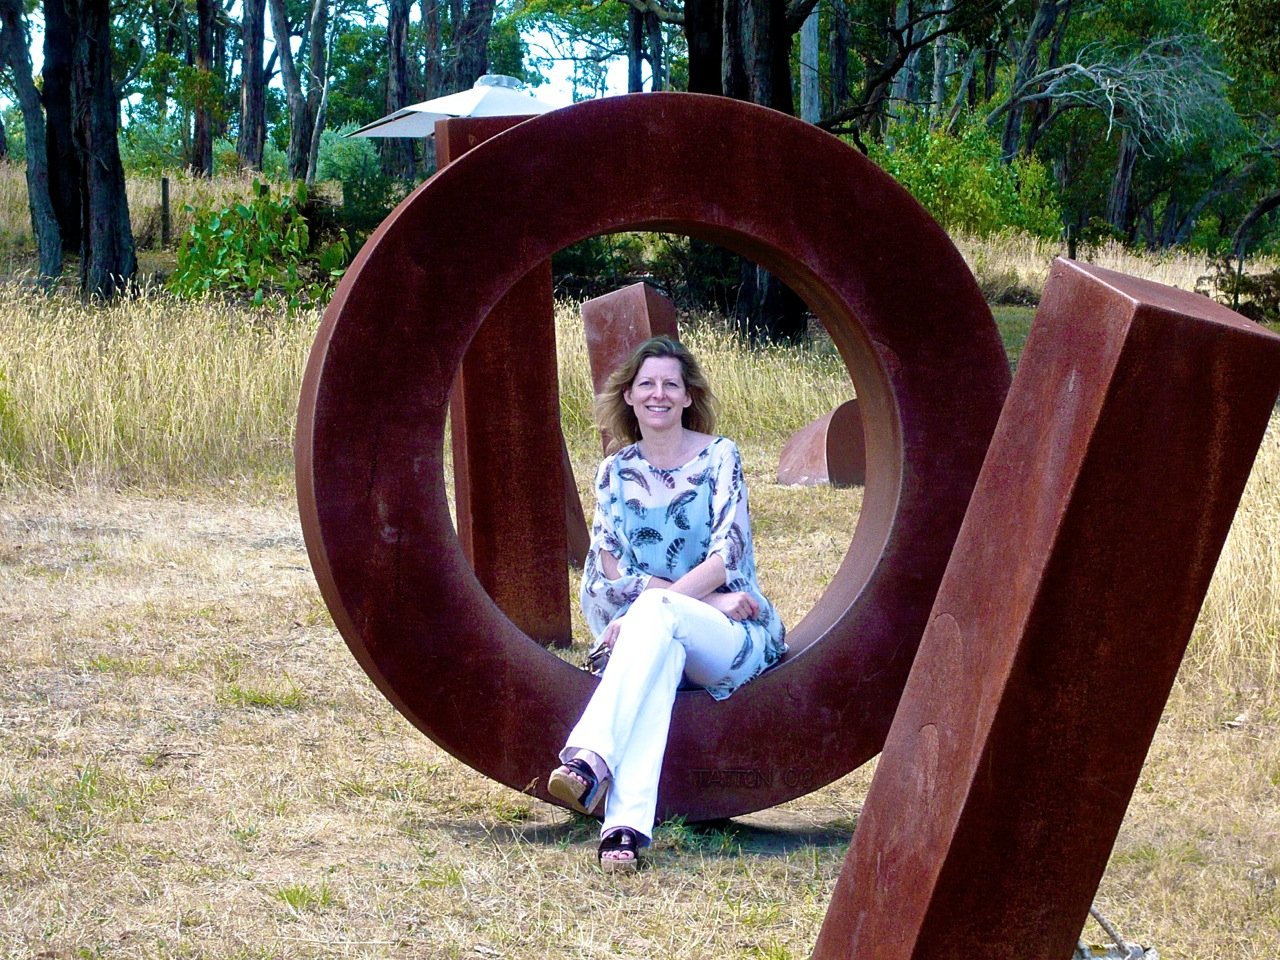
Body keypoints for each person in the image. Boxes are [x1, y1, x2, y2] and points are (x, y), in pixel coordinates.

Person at [547, 335, 786, 872]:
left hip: (728, 638)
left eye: (670, 385)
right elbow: (609, 568)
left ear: (686, 396)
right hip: (665, 633)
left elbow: (728, 554)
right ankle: (625, 829)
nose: (658, 394)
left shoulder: (720, 456)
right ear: (628, 396)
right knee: (661, 648)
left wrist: (662, 607)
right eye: (646, 384)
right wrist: (695, 603)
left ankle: (589, 758)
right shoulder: (614, 472)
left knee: (655, 619)